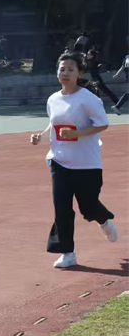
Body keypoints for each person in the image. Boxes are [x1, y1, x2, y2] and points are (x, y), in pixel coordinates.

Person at [30, 51, 117, 269]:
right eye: (62, 69)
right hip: (60, 162)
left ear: (80, 73)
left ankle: (103, 220)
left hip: (86, 163)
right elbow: (54, 124)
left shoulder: (88, 99)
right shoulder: (53, 99)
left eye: (70, 69)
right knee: (61, 208)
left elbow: (102, 124)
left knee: (88, 206)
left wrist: (77, 133)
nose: (65, 73)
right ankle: (67, 253)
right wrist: (41, 136)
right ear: (57, 73)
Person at [84, 47, 124, 113]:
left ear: (92, 56)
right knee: (102, 91)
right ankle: (116, 101)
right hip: (95, 78)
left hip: (96, 79)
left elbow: (89, 67)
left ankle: (117, 102)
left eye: (88, 54)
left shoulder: (91, 62)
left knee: (105, 91)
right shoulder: (91, 61)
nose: (87, 55)